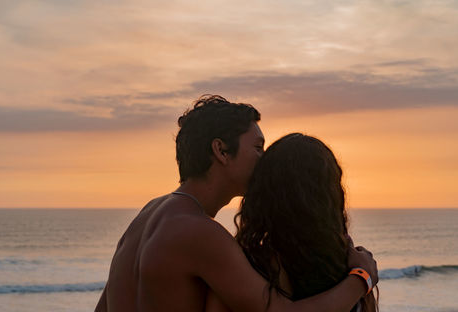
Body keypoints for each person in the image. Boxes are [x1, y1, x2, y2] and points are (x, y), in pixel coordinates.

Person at [95, 95, 378, 312]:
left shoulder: (149, 215)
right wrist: (361, 277)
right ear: (221, 150)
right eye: (257, 148)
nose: (264, 160)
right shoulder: (199, 233)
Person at [206, 133, 378, 312]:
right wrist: (362, 278)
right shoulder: (353, 266)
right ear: (331, 195)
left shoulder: (246, 266)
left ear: (263, 193)